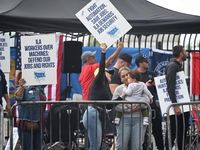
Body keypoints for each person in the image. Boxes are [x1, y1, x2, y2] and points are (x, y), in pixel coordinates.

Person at [82, 43, 114, 150]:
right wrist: (103, 52)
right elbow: (101, 69)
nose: (111, 74)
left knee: (97, 144)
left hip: (97, 114)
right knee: (94, 145)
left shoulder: (106, 88)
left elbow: (110, 106)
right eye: (108, 72)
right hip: (92, 113)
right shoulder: (97, 82)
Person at [112, 67, 147, 150]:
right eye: (123, 76)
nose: (126, 77)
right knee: (121, 146)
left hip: (139, 119)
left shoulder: (141, 85)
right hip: (123, 119)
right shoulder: (119, 89)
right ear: (120, 79)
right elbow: (115, 104)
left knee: (137, 146)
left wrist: (131, 105)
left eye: (127, 75)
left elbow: (146, 100)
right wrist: (128, 109)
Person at [135, 54, 164, 150]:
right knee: (142, 133)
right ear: (140, 64)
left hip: (153, 106)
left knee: (157, 131)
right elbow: (132, 90)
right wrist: (145, 85)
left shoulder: (151, 73)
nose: (149, 63)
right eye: (146, 62)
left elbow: (157, 91)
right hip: (140, 108)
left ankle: (160, 147)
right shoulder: (134, 74)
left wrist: (155, 85)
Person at [165, 45, 190, 150]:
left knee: (182, 130)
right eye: (184, 51)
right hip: (176, 105)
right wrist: (175, 105)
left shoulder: (178, 66)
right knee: (173, 131)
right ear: (181, 54)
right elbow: (171, 86)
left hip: (180, 104)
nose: (186, 53)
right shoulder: (173, 66)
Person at [14, 74, 46, 150]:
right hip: (26, 124)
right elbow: (18, 97)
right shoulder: (22, 88)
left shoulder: (40, 87)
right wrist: (22, 86)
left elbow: (49, 76)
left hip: (39, 124)